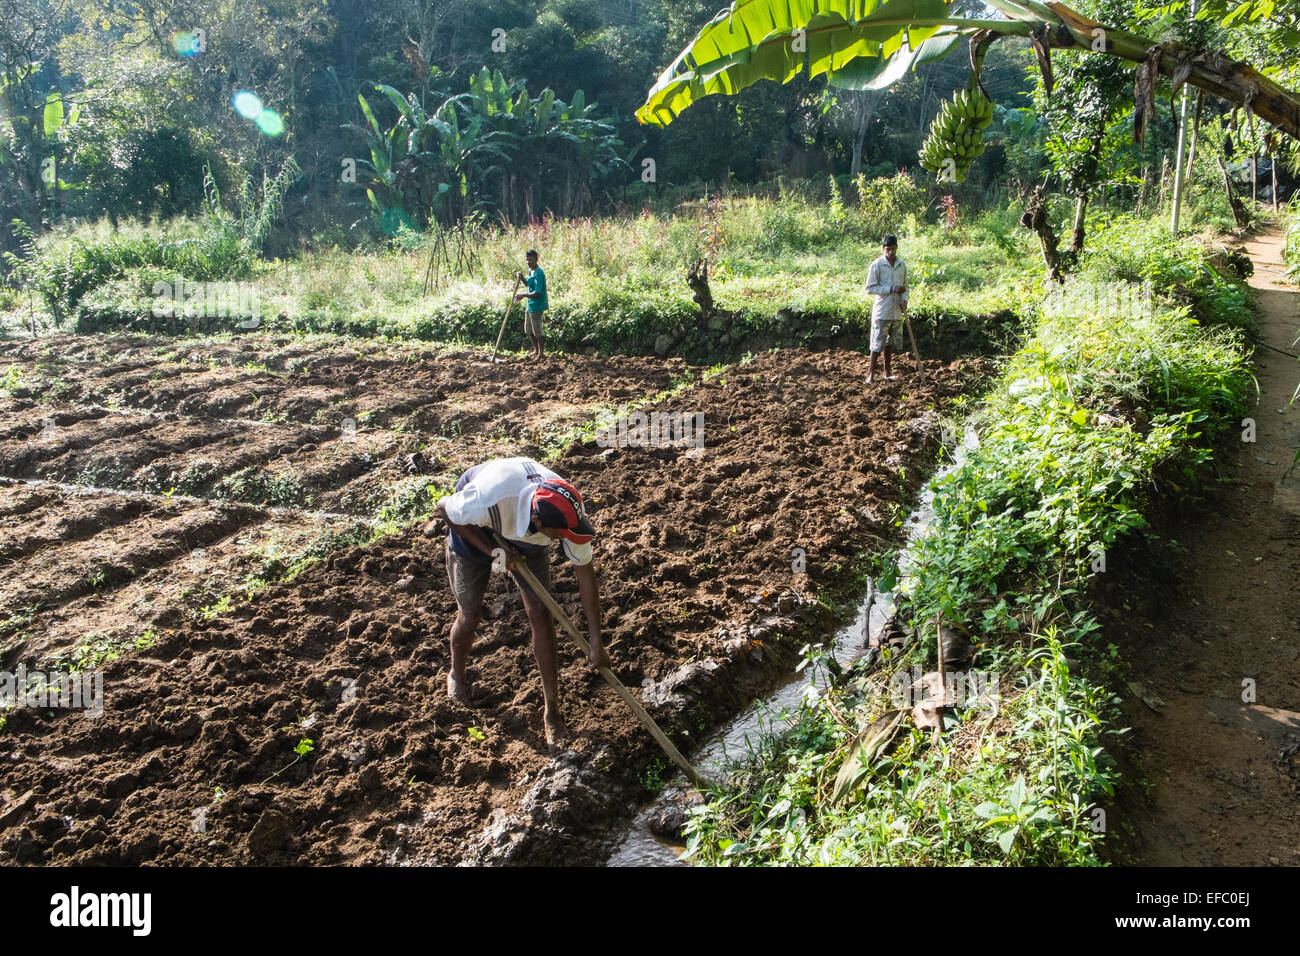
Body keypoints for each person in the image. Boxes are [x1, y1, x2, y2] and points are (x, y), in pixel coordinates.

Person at [432, 456, 608, 748]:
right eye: (560, 536)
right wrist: (492, 552)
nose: (566, 539)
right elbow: (444, 508)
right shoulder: (486, 497)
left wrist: (596, 642)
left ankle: (552, 711)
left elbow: (585, 574)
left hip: (525, 537)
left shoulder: (567, 511)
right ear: (539, 521)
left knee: (541, 610)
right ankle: (457, 675)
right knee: (470, 614)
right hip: (473, 535)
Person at [864, 234, 908, 384]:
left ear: (896, 248)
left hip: (896, 311)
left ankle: (887, 373)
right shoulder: (876, 265)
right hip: (882, 311)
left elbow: (905, 287)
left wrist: (905, 302)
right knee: (877, 344)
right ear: (883, 249)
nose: (890, 251)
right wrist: (891, 289)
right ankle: (870, 375)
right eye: (888, 249)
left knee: (889, 343)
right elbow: (869, 288)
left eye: (893, 248)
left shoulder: (901, 265)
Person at [515, 249, 548, 361]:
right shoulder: (530, 271)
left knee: (537, 331)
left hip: (537, 306)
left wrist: (523, 295)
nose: (529, 262)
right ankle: (536, 350)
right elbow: (528, 285)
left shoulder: (539, 274)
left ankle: (541, 354)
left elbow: (538, 293)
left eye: (531, 259)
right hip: (530, 305)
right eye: (527, 260)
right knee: (528, 330)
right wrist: (522, 278)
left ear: (536, 259)